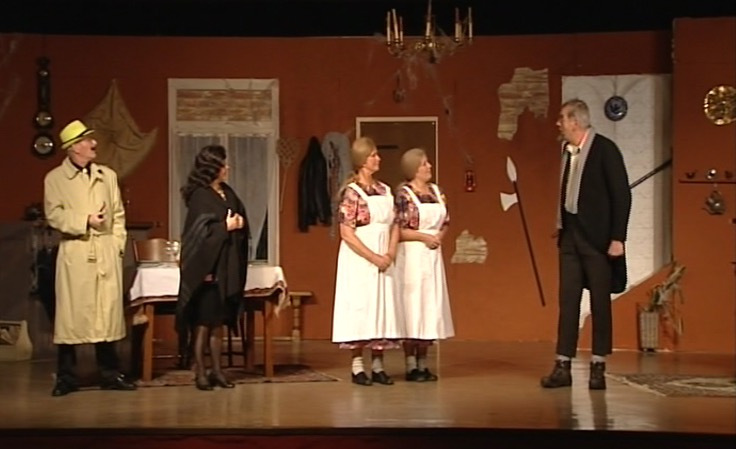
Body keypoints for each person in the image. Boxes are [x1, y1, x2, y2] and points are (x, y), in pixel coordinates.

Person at [541, 99, 631, 390]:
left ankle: (598, 366)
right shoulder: (567, 152)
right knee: (568, 301)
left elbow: (621, 195)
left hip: (598, 240)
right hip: (571, 237)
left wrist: (618, 237)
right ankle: (562, 365)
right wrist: (561, 224)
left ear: (575, 122)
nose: (558, 123)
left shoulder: (605, 149)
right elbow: (568, 192)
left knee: (600, 303)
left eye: (562, 118)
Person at [44, 119, 136, 396]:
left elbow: (118, 214)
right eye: (86, 140)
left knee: (105, 315)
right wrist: (85, 220)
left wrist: (117, 246)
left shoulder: (107, 176)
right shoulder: (55, 179)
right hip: (77, 252)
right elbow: (54, 215)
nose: (93, 143)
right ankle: (66, 377)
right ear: (74, 148)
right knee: (71, 317)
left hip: (105, 252)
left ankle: (110, 373)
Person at [331, 137, 405, 386]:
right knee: (362, 308)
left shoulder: (385, 190)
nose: (378, 158)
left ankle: (378, 365)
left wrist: (390, 253)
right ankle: (357, 366)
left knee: (381, 307)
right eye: (373, 155)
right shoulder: (352, 193)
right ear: (362, 160)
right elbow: (347, 233)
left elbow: (395, 224)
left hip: (384, 256)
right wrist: (373, 257)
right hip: (361, 259)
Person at [177, 145, 249, 391]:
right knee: (203, 323)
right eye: (222, 164)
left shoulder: (227, 192)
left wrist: (240, 223)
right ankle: (200, 373)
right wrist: (224, 228)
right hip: (207, 271)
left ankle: (218, 371)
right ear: (211, 168)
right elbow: (197, 235)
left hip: (225, 270)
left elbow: (239, 216)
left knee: (218, 323)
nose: (227, 167)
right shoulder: (200, 196)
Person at [394, 148, 455, 382]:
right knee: (413, 307)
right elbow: (398, 230)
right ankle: (410, 363)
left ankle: (423, 361)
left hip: (432, 257)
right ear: (413, 169)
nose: (429, 167)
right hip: (412, 257)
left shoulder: (437, 192)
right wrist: (423, 237)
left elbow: (446, 221)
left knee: (430, 306)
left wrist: (438, 237)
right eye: (423, 164)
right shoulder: (404, 195)